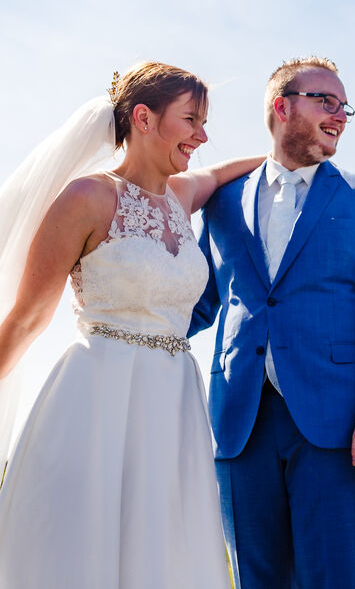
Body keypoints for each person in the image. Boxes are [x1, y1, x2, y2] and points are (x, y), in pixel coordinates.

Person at [0, 62, 264, 587]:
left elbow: (216, 175)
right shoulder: (85, 198)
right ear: (143, 117)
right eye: (190, 120)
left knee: (164, 551)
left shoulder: (182, 196)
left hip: (174, 405)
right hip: (96, 399)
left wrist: (283, 155)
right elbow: (29, 317)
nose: (202, 135)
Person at [189, 56, 355, 589]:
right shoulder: (222, 202)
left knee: (335, 577)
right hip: (239, 422)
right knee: (256, 579)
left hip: (336, 426)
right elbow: (195, 300)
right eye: (326, 102)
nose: (340, 116)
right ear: (282, 106)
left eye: (344, 107)